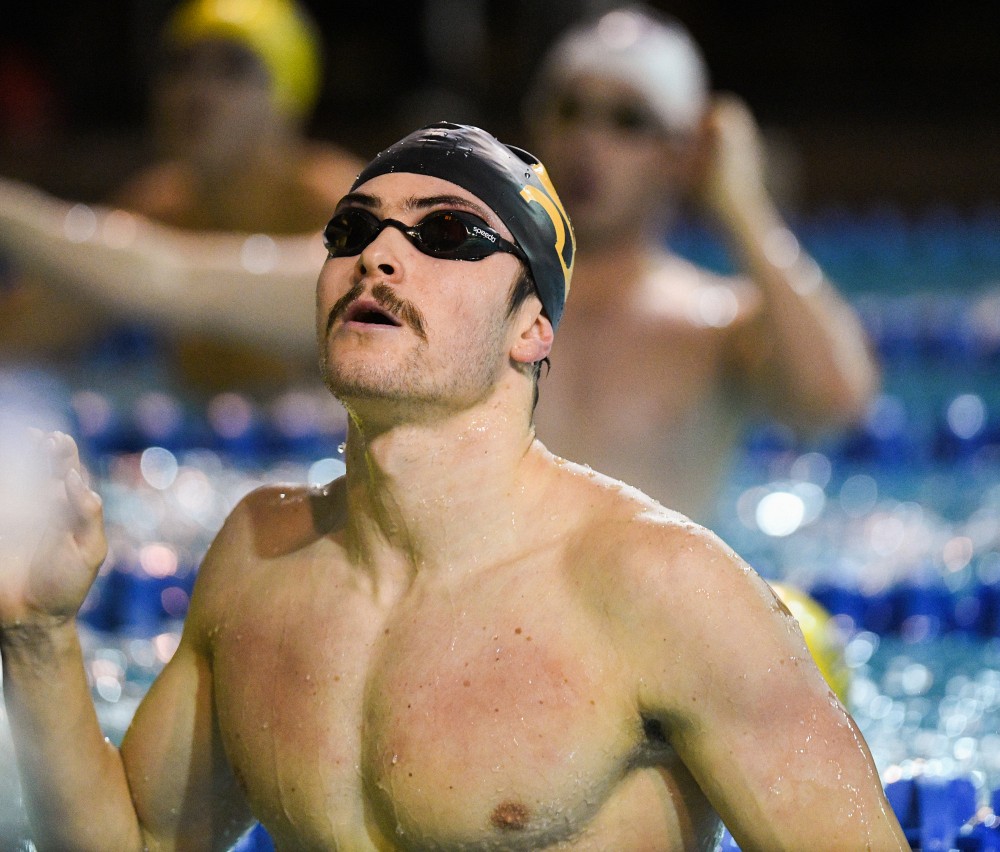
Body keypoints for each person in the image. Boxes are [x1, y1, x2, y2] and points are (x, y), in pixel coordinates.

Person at [0, 121, 907, 850]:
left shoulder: (661, 589)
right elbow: (143, 841)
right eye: (351, 231)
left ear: (532, 328)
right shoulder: (259, 560)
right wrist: (39, 636)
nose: (377, 257)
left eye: (444, 235)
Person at [523, 5, 881, 523]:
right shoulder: (487, 293)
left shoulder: (714, 324)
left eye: (628, 121)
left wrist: (744, 210)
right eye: (571, 110)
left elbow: (837, 403)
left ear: (682, 153)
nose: (589, 142)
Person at [0, 0, 364, 395]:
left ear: (287, 95)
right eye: (181, 66)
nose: (197, 91)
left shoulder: (348, 207)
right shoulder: (158, 210)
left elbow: (179, 280)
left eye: (232, 69)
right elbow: (23, 329)